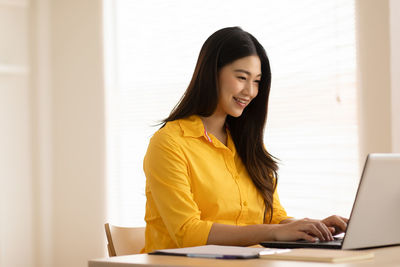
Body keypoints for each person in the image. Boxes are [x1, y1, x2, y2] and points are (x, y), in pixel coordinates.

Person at [142, 27, 348, 253]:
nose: (250, 91)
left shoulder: (246, 143)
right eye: (241, 77)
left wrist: (311, 227)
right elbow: (188, 233)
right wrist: (272, 232)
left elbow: (273, 217)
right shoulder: (169, 143)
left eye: (257, 81)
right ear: (212, 73)